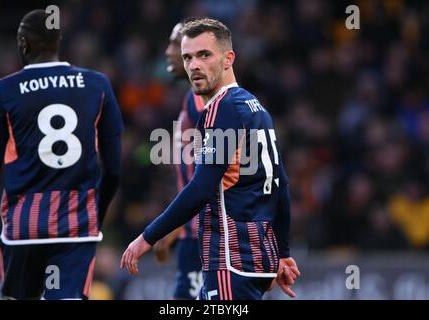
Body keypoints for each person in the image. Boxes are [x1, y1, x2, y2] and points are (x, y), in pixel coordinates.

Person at [121, 18, 299, 300]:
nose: (193, 65)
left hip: (230, 260)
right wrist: (283, 252)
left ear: (228, 58)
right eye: (188, 57)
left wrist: (147, 236)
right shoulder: (256, 107)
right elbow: (281, 187)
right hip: (256, 259)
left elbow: (202, 188)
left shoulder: (220, 109)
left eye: (204, 55)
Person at [0, 9, 123, 299]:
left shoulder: (3, 90)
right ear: (59, 41)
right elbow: (114, 168)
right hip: (76, 224)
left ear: (23, 43)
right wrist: (99, 209)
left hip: (24, 225)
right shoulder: (97, 84)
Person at [152, 20, 205, 300]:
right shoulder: (192, 100)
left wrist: (172, 226)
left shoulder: (205, 103)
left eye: (175, 44)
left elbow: (218, 177)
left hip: (208, 237)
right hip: (194, 235)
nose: (167, 52)